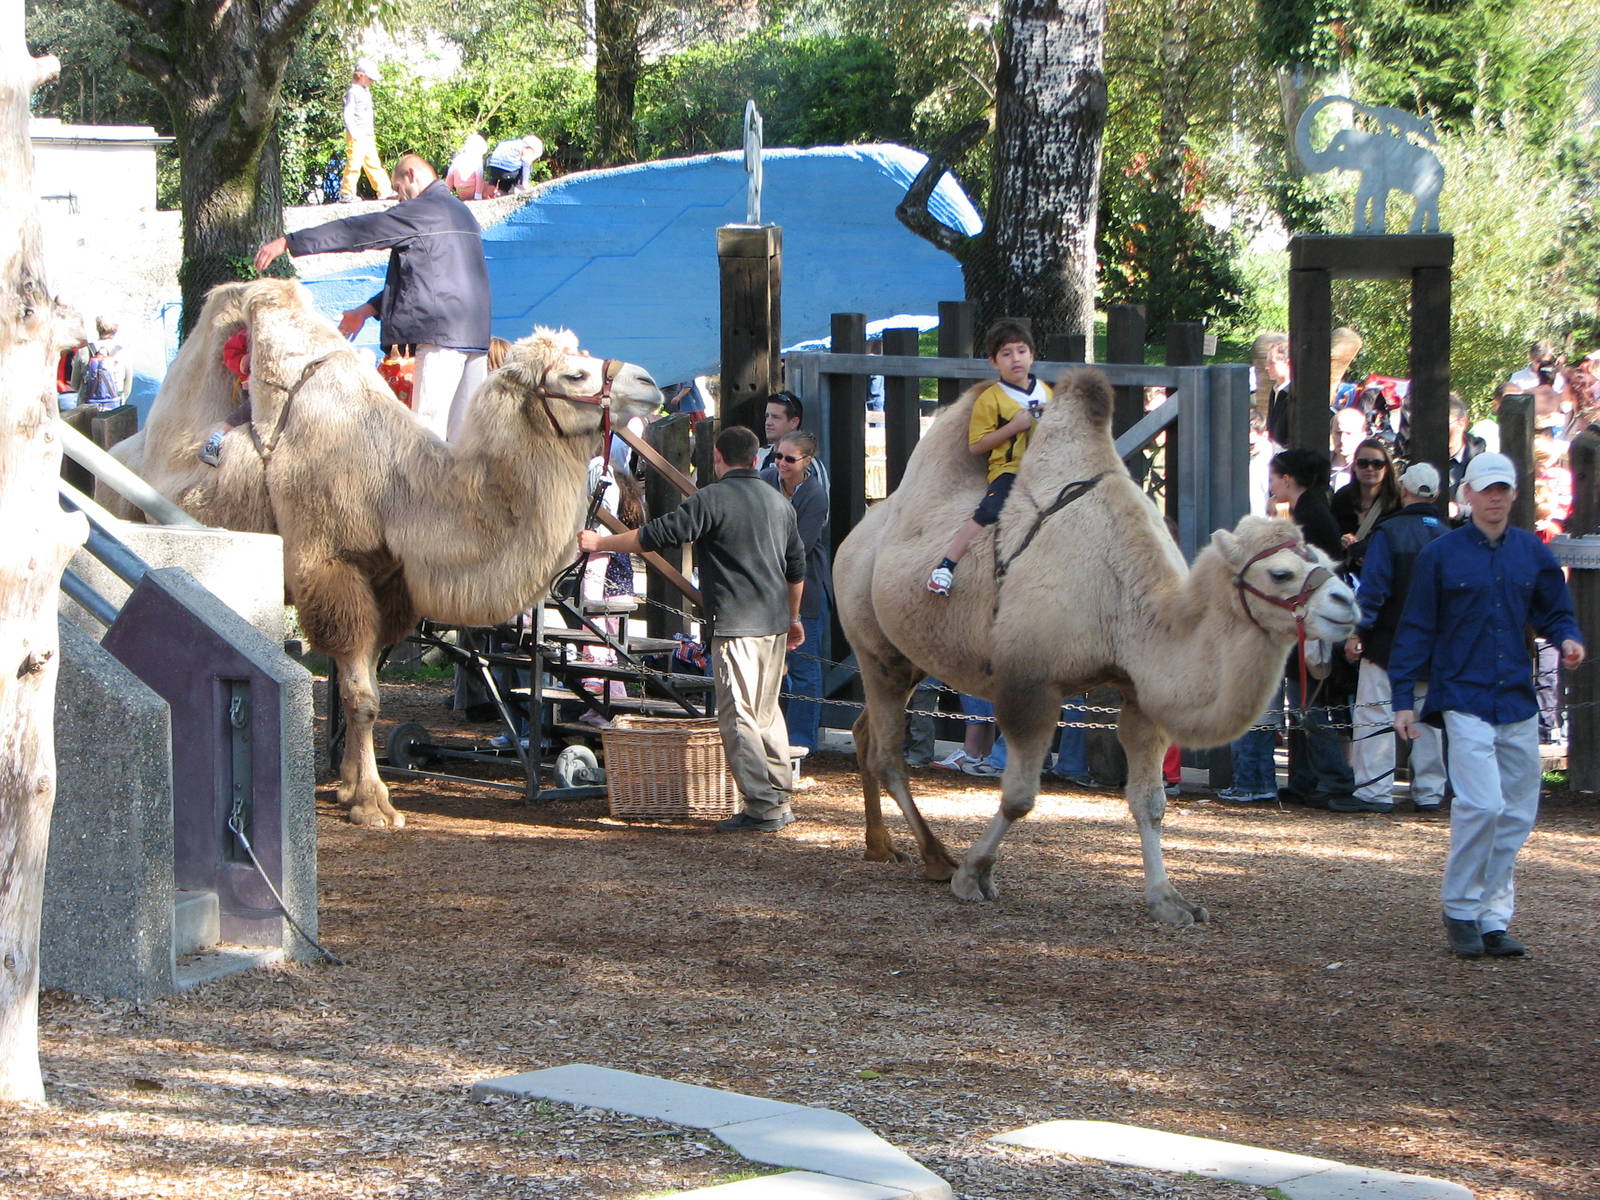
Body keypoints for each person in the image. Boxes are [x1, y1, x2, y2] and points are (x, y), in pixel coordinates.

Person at [1388, 452, 1585, 959]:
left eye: (1502, 489)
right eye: (1485, 489)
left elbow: (1554, 611)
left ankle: (1494, 917)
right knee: (1482, 805)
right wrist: (1404, 699)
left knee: (1518, 813)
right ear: (1467, 495)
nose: (1494, 498)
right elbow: (1416, 627)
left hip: (1515, 697)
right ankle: (1460, 907)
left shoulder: (1531, 552)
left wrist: (1567, 639)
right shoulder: (1442, 554)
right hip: (1463, 694)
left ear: (1514, 494)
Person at [579, 425, 807, 833]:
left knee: (737, 716)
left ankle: (762, 806)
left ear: (717, 457)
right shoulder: (779, 502)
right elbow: (796, 571)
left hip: (736, 624)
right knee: (766, 713)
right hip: (773, 624)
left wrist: (600, 544)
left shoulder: (712, 499)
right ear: (756, 459)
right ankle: (779, 793)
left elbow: (657, 535)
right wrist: (794, 619)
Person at [254, 154, 491, 442]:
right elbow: (427, 280)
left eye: (398, 185)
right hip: (476, 338)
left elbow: (357, 231)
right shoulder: (462, 212)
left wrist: (290, 242)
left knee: (429, 438)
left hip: (441, 339)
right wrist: (367, 310)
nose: (397, 196)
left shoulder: (421, 211)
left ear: (412, 176)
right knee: (465, 442)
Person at [1344, 463, 1449, 814]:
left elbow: (1374, 589)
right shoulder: (1450, 537)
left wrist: (1359, 630)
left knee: (1375, 713)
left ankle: (1375, 790)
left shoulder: (1389, 533)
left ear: (1403, 491)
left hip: (1388, 641)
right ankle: (1429, 791)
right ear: (1434, 495)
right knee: (1428, 718)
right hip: (1435, 645)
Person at [927, 320, 1049, 595]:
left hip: (1045, 469)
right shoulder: (991, 399)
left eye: (1021, 351)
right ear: (994, 362)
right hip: (1010, 470)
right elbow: (977, 445)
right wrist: (1014, 427)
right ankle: (946, 566)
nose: (1015, 359)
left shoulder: (1046, 392)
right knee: (990, 511)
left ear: (1032, 355)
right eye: (1006, 353)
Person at [1270, 447, 1362, 810]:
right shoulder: (1309, 512)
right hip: (1309, 619)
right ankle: (1304, 778)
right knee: (1304, 702)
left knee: (1310, 705)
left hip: (1313, 622)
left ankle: (1336, 781)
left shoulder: (1309, 517)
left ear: (1288, 479)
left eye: (1275, 478)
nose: (1272, 485)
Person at [760, 430, 832, 754]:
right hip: (766, 586)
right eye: (778, 456)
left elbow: (802, 546)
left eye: (790, 459)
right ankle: (772, 738)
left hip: (806, 589)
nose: (782, 464)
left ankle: (802, 741)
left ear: (807, 461)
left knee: (803, 668)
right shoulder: (764, 481)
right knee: (770, 669)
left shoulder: (814, 494)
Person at [1331, 436, 1402, 573]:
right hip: (1347, 577)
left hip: (1382, 577)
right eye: (1363, 463)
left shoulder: (1398, 501)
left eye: (1377, 464)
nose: (1370, 468)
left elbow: (1401, 543)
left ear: (1386, 468)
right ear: (1354, 466)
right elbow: (1329, 539)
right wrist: (1342, 541)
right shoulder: (1341, 498)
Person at [339, 58, 392, 203]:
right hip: (356, 135)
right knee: (354, 163)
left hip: (368, 135)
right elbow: (348, 113)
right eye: (370, 78)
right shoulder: (353, 92)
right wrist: (354, 133)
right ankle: (346, 192)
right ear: (360, 76)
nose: (372, 82)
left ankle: (384, 190)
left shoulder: (365, 91)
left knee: (373, 163)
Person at [198, 329, 254, 466]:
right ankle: (215, 441)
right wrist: (247, 360)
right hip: (255, 385)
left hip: (276, 387)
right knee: (247, 410)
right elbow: (230, 355)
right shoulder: (248, 335)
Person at [757, 391, 830, 491]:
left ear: (794, 422)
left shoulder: (810, 464)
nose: (768, 422)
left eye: (775, 417)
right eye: (767, 416)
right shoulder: (758, 455)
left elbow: (820, 504)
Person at [69, 316, 132, 410]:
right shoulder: (123, 353)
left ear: (97, 328)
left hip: (87, 409)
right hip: (113, 409)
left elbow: (74, 385)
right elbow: (127, 389)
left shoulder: (83, 351)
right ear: (116, 329)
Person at [444, 132, 489, 200]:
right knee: (487, 185)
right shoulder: (477, 160)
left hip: (459, 190)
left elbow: (449, 177)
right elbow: (479, 178)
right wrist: (478, 196)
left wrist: (445, 193)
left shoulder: (457, 158)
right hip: (471, 189)